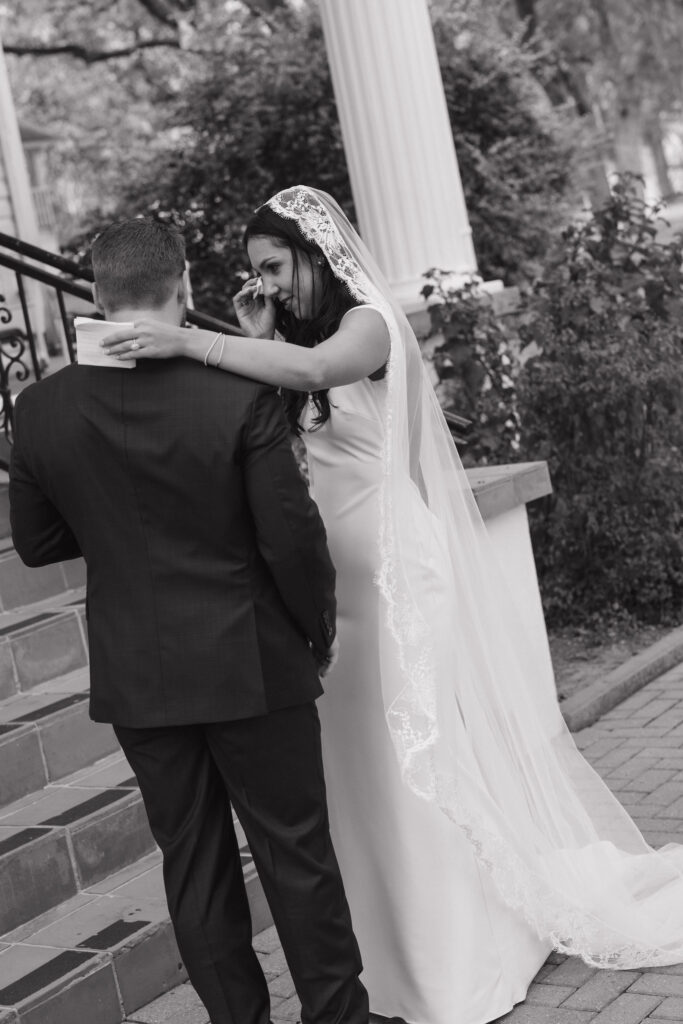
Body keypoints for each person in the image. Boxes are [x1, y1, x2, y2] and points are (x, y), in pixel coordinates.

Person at [102, 188, 683, 1024]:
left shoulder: (368, 322)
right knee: (357, 767)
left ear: (315, 254)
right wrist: (255, 337)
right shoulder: (292, 340)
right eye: (254, 272)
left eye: (275, 267)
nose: (265, 285)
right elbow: (275, 422)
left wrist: (188, 337)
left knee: (412, 760)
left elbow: (312, 376)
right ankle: (386, 957)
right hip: (326, 586)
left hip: (394, 575)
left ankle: (454, 959)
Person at [9, 216, 370, 1024]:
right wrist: (316, 631)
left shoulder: (38, 411)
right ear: (185, 287)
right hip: (252, 660)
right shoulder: (239, 391)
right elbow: (291, 538)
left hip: (139, 676)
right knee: (297, 858)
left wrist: (112, 528)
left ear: (98, 296)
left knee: (193, 865)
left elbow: (34, 544)